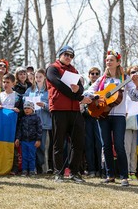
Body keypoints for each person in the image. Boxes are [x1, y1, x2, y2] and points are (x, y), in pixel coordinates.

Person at [85, 50, 138, 186]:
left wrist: (137, 83)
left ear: (117, 63)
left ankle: (124, 176)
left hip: (119, 116)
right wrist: (96, 97)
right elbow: (88, 91)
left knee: (119, 145)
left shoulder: (124, 78)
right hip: (103, 114)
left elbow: (136, 96)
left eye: (111, 60)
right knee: (105, 146)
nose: (108, 62)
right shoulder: (102, 79)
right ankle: (110, 175)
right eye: (107, 60)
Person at [46, 45, 92, 183]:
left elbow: (81, 87)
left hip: (74, 110)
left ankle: (74, 172)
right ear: (60, 54)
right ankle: (58, 172)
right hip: (59, 109)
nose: (68, 57)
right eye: (66, 54)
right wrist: (78, 96)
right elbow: (59, 85)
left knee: (78, 141)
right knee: (58, 142)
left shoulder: (74, 70)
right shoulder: (52, 68)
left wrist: (79, 89)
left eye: (71, 56)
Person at [0, 73, 23, 175]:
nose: (5, 84)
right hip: (0, 126)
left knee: (13, 146)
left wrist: (19, 110)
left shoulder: (18, 97)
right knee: (0, 146)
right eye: (4, 82)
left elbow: (24, 111)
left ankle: (14, 167)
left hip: (13, 126)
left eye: (8, 82)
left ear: (13, 83)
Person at [24, 68, 52, 174]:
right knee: (32, 145)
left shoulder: (48, 91)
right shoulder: (30, 90)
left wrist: (44, 105)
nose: (38, 79)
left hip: (44, 123)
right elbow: (24, 100)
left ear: (44, 77)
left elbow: (52, 107)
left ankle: (42, 167)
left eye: (40, 76)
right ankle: (33, 167)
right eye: (36, 77)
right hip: (31, 124)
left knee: (42, 146)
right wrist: (27, 103)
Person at [83, 67, 103, 177]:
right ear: (89, 75)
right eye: (92, 73)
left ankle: (100, 169)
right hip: (88, 117)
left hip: (99, 118)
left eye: (96, 73)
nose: (94, 75)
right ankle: (91, 169)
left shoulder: (101, 87)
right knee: (89, 144)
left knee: (99, 144)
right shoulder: (85, 88)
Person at [15, 101, 42, 177]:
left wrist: (38, 140)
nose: (26, 110)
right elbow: (19, 129)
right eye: (25, 108)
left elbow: (39, 129)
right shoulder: (22, 119)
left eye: (28, 108)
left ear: (32, 109)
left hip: (32, 141)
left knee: (32, 156)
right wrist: (18, 138)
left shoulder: (37, 118)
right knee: (24, 156)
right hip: (24, 141)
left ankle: (32, 170)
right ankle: (24, 170)